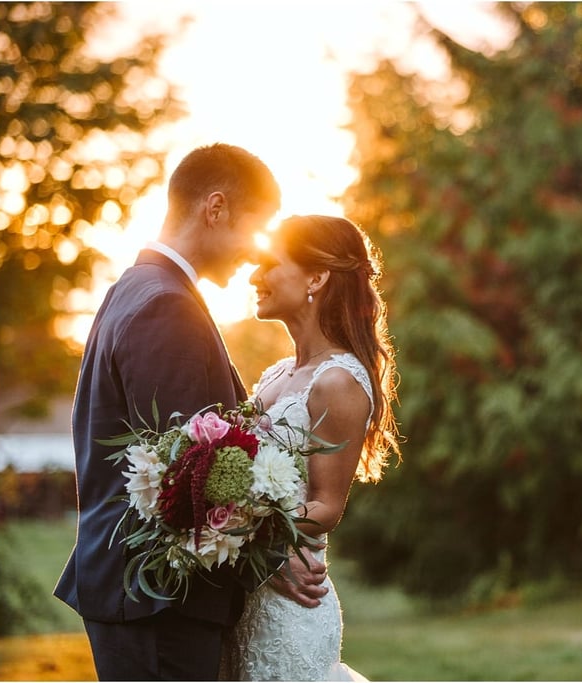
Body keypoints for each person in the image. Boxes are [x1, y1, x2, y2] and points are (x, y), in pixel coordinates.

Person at [55, 143, 330, 681]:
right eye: (257, 229)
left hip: (144, 595)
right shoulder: (166, 306)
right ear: (216, 208)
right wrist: (272, 553)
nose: (257, 254)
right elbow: (195, 472)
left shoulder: (136, 289)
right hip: (158, 598)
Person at [220, 214, 400, 681]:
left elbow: (326, 504)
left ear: (316, 278)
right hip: (247, 596)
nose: (253, 276)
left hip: (291, 609)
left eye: (268, 264)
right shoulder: (276, 375)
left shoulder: (338, 380)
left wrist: (243, 536)